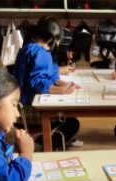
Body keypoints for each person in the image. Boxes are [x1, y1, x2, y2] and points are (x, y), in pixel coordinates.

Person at [13, 16, 82, 149]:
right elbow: (37, 81)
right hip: (29, 111)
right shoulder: (40, 53)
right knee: (72, 123)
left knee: (70, 119)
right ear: (54, 39)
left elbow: (49, 73)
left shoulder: (31, 47)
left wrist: (60, 83)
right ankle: (41, 144)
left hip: (20, 108)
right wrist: (60, 90)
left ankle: (55, 140)